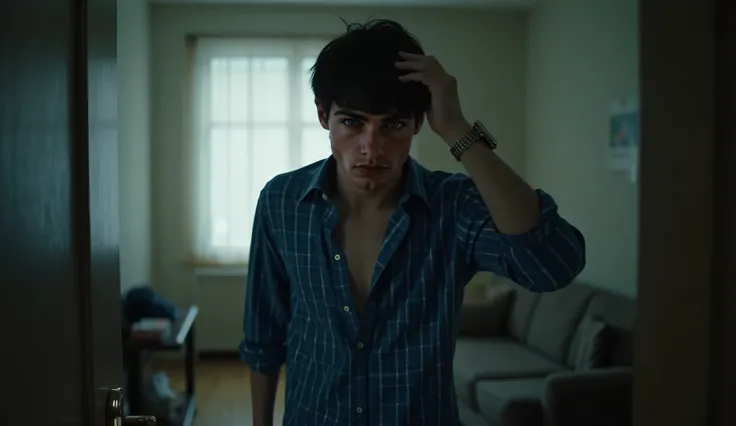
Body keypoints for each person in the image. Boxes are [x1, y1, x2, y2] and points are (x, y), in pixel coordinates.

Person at [239, 19, 586, 426]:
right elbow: (264, 334)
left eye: (393, 125)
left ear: (418, 123)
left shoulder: (452, 207)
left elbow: (551, 266)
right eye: (352, 122)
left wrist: (456, 127)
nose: (372, 148)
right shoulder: (282, 201)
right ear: (323, 116)